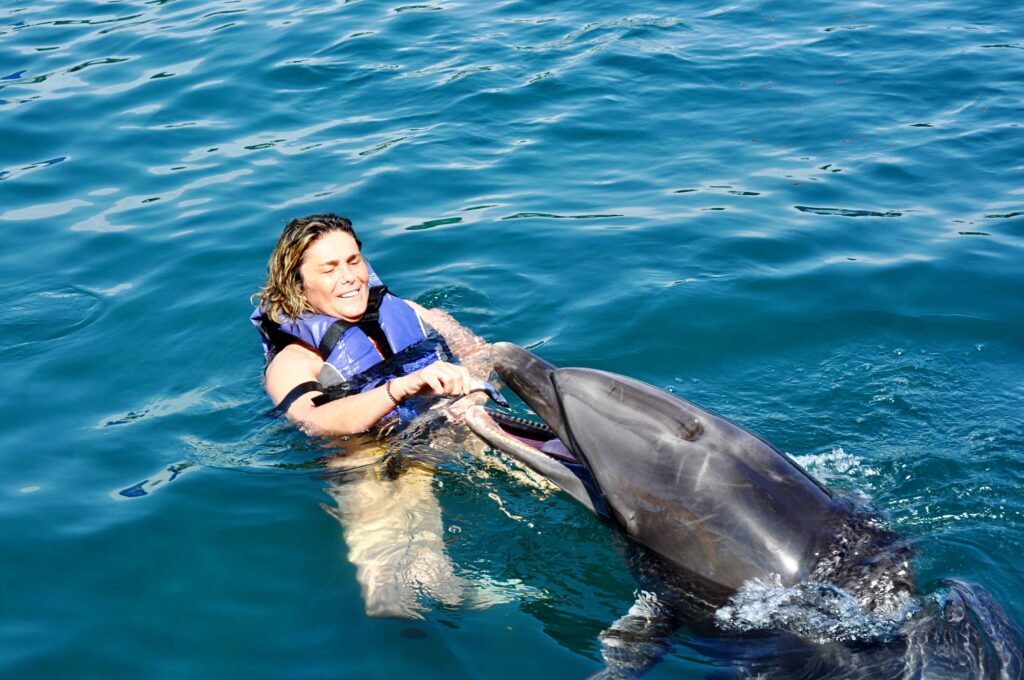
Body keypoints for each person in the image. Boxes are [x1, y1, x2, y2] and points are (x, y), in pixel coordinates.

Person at [251, 213, 489, 436]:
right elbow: (311, 421)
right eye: (329, 269)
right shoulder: (292, 363)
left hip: (448, 420)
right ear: (298, 288)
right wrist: (400, 388)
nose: (349, 277)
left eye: (353, 262)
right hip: (371, 454)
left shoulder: (412, 312)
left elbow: (480, 353)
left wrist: (472, 397)